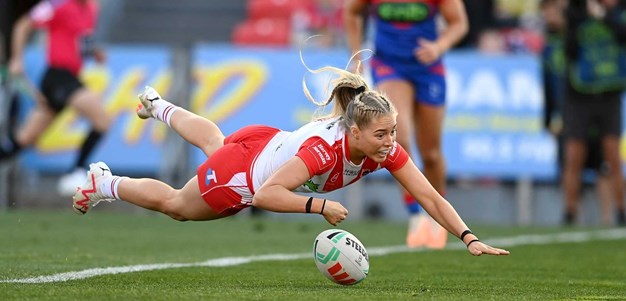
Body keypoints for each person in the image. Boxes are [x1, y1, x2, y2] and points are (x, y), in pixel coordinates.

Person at [72, 68, 509, 257]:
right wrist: (319, 207)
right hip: (243, 175)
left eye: (392, 132)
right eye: (382, 134)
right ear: (354, 131)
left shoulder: (379, 146)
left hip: (259, 144)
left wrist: (468, 237)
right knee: (177, 206)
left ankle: (156, 104)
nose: (390, 142)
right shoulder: (323, 150)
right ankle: (105, 182)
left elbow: (428, 194)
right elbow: (266, 195)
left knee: (214, 141)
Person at [343, 0, 469, 248]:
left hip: (427, 67)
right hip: (389, 65)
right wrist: (356, 56)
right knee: (397, 139)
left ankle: (437, 214)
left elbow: (459, 23)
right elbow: (352, 11)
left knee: (431, 154)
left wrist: (439, 45)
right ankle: (415, 214)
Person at [1, 0, 111, 196]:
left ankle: (74, 172)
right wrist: (17, 59)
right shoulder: (57, 5)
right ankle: (75, 173)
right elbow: (23, 25)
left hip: (69, 77)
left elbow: (81, 38)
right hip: (58, 77)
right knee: (102, 121)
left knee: (24, 139)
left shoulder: (93, 7)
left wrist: (94, 53)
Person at [562, 0, 626, 226]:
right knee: (574, 157)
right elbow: (569, 49)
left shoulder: (619, 13)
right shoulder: (576, 11)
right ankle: (569, 212)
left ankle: (621, 210)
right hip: (580, 94)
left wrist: (603, 16)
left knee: (612, 156)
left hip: (610, 93)